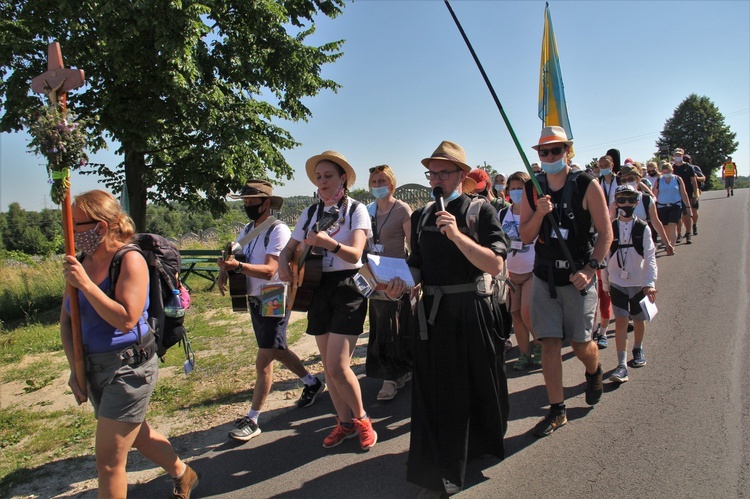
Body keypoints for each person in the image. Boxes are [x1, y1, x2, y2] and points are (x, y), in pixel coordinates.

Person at [387, 140, 509, 496]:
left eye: (443, 172)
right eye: (431, 173)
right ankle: (439, 461)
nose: (435, 179)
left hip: (470, 310)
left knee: (472, 382)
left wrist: (456, 235)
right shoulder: (421, 215)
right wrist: (401, 283)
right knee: (437, 388)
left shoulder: (479, 211)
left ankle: (475, 449)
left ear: (461, 175)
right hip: (432, 315)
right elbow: (418, 265)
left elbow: (495, 263)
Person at [61, 190, 198, 498]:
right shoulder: (81, 260)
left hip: (129, 368)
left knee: (109, 462)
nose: (68, 232)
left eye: (74, 224)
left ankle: (183, 473)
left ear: (100, 226)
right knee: (136, 433)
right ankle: (183, 473)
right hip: (95, 366)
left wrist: (84, 283)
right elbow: (67, 321)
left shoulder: (129, 260)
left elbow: (125, 318)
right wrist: (75, 369)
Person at [277, 151, 378, 451]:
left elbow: (356, 254)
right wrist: (284, 261)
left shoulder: (356, 210)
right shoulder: (310, 213)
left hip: (348, 288)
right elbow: (291, 248)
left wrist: (329, 243)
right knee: (327, 365)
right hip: (316, 288)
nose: (322, 181)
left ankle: (362, 420)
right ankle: (343, 423)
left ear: (343, 178)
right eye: (318, 177)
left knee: (337, 365)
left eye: (328, 176)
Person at [519, 126, 613, 437]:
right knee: (549, 343)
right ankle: (557, 410)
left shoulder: (586, 184)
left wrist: (590, 269)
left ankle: (593, 370)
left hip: (577, 278)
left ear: (567, 152)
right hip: (544, 276)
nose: (548, 156)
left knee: (581, 343)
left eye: (555, 150)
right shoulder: (533, 188)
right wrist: (539, 214)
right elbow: (525, 235)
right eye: (543, 151)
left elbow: (605, 233)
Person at [217, 180, 326, 442]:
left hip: (274, 294)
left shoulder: (277, 230)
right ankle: (312, 382)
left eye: (252, 202)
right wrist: (224, 268)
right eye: (244, 203)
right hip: (256, 297)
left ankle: (253, 419)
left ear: (266, 203)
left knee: (263, 358)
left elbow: (270, 270)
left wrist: (237, 268)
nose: (247, 207)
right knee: (277, 348)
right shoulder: (248, 229)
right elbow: (236, 256)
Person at [364, 165, 413, 401]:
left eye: (382, 181)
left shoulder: (402, 209)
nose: (377, 186)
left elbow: (414, 247)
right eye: (374, 181)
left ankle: (391, 378)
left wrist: (415, 279)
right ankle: (398, 372)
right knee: (380, 325)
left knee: (393, 325)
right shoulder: (367, 211)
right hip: (375, 279)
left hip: (396, 277)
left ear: (391, 184)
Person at [601, 185, 658, 383]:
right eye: (622, 200)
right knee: (621, 322)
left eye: (631, 199)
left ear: (636, 202)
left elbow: (650, 256)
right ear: (616, 203)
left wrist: (649, 282)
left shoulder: (643, 227)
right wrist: (605, 283)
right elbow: (605, 256)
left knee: (638, 319)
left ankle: (638, 348)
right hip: (617, 282)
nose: (626, 204)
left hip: (638, 282)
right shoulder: (611, 227)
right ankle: (621, 365)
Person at [498, 171, 540, 371]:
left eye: (520, 188)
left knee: (527, 312)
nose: (516, 192)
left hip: (532, 270)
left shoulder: (534, 212)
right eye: (512, 188)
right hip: (511, 273)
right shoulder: (502, 214)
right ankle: (524, 354)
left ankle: (540, 346)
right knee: (515, 314)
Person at [611, 165, 674, 256]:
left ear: (637, 180)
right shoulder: (616, 202)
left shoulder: (646, 199)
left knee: (648, 268)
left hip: (644, 241)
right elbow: (611, 224)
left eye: (631, 178)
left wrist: (667, 243)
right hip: (622, 244)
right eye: (624, 180)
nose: (628, 182)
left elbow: (655, 221)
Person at [653, 161, 691, 248]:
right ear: (662, 172)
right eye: (664, 172)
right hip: (662, 206)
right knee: (665, 227)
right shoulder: (659, 181)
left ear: (672, 171)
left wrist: (688, 206)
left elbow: (683, 193)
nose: (666, 174)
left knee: (672, 225)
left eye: (668, 172)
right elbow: (654, 194)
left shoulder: (678, 179)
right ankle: (668, 243)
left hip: (675, 205)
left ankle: (671, 246)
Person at [671, 148, 697, 244]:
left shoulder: (688, 167)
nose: (678, 156)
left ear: (683, 155)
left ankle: (688, 233)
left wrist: (695, 194)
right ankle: (678, 234)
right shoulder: (672, 168)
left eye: (680, 154)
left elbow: (694, 182)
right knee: (678, 216)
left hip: (687, 194)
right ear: (674, 155)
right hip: (674, 195)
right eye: (676, 154)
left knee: (687, 214)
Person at [683, 154, 703, 236]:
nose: (686, 160)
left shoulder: (695, 168)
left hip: (694, 191)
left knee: (694, 210)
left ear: (691, 160)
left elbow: (703, 178)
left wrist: (696, 178)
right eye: (685, 159)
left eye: (687, 159)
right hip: (684, 191)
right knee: (685, 213)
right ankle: (687, 230)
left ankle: (694, 225)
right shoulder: (678, 167)